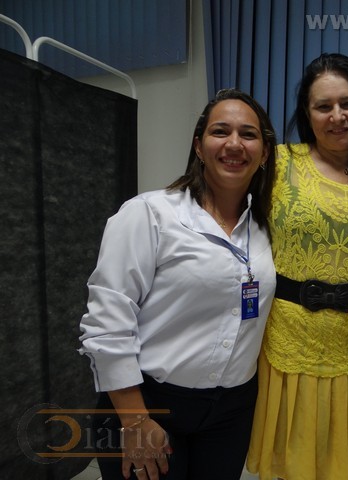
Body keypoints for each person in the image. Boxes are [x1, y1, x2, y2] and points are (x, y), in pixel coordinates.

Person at [78, 89, 277, 480]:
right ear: (199, 146)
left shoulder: (264, 229)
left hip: (231, 413)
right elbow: (107, 322)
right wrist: (134, 420)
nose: (234, 144)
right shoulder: (149, 214)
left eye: (248, 134)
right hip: (149, 403)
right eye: (220, 131)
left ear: (265, 152)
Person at [246, 53, 348, 480]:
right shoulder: (277, 163)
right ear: (307, 112)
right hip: (289, 341)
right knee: (292, 464)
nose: (337, 116)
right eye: (323, 106)